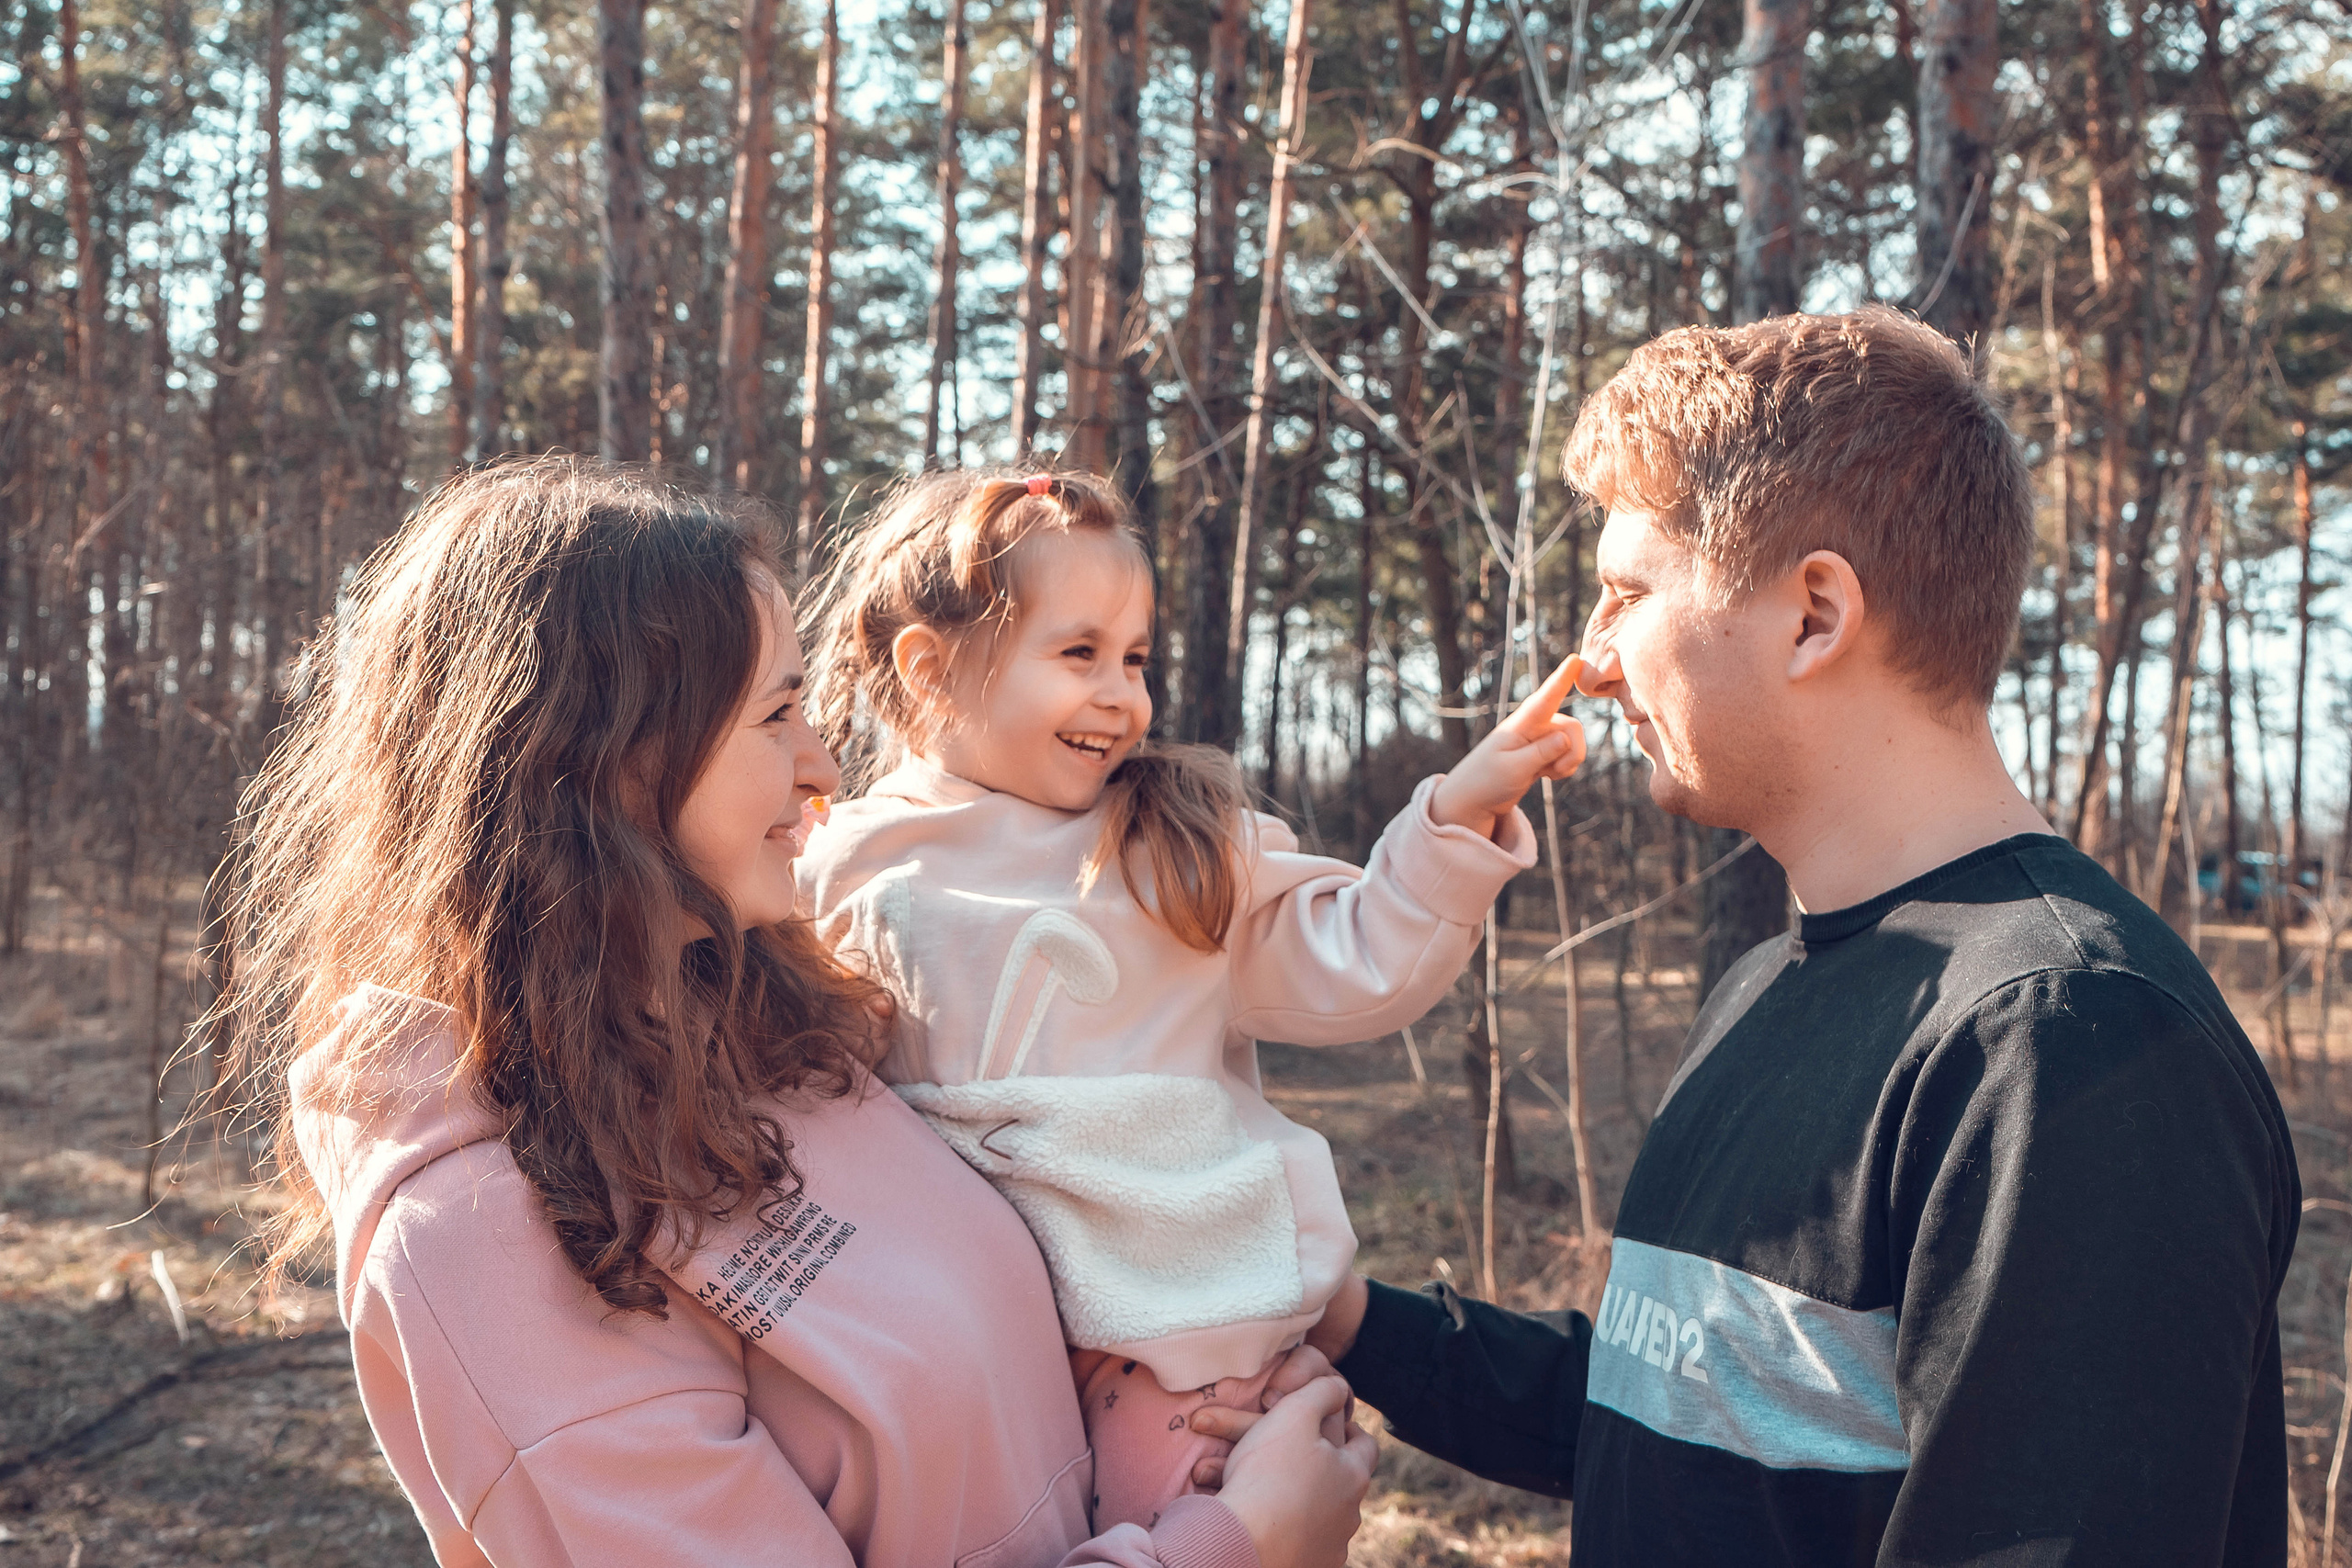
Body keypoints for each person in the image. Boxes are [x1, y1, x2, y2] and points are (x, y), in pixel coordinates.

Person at [1203, 309, 2302, 1566]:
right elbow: (1678, 1424)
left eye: (1626, 593)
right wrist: (1348, 1320)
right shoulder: (1766, 987)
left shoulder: (2070, 1038)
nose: (1595, 659)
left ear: (1814, 614)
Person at [215, 457, 1377, 1568]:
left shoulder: (779, 1031)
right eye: (776, 716)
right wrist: (1241, 1543)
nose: (825, 765)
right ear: (604, 760)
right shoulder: (485, 1233)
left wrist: (1238, 1367)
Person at [794, 467, 1585, 1529]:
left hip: (1177, 1345)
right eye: (1078, 654)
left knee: (1194, 1539)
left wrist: (1454, 820)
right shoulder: (840, 862)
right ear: (931, 670)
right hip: (958, 1345)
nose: (1122, 695)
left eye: (1134, 659)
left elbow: (1357, 963)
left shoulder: (1170, 843)